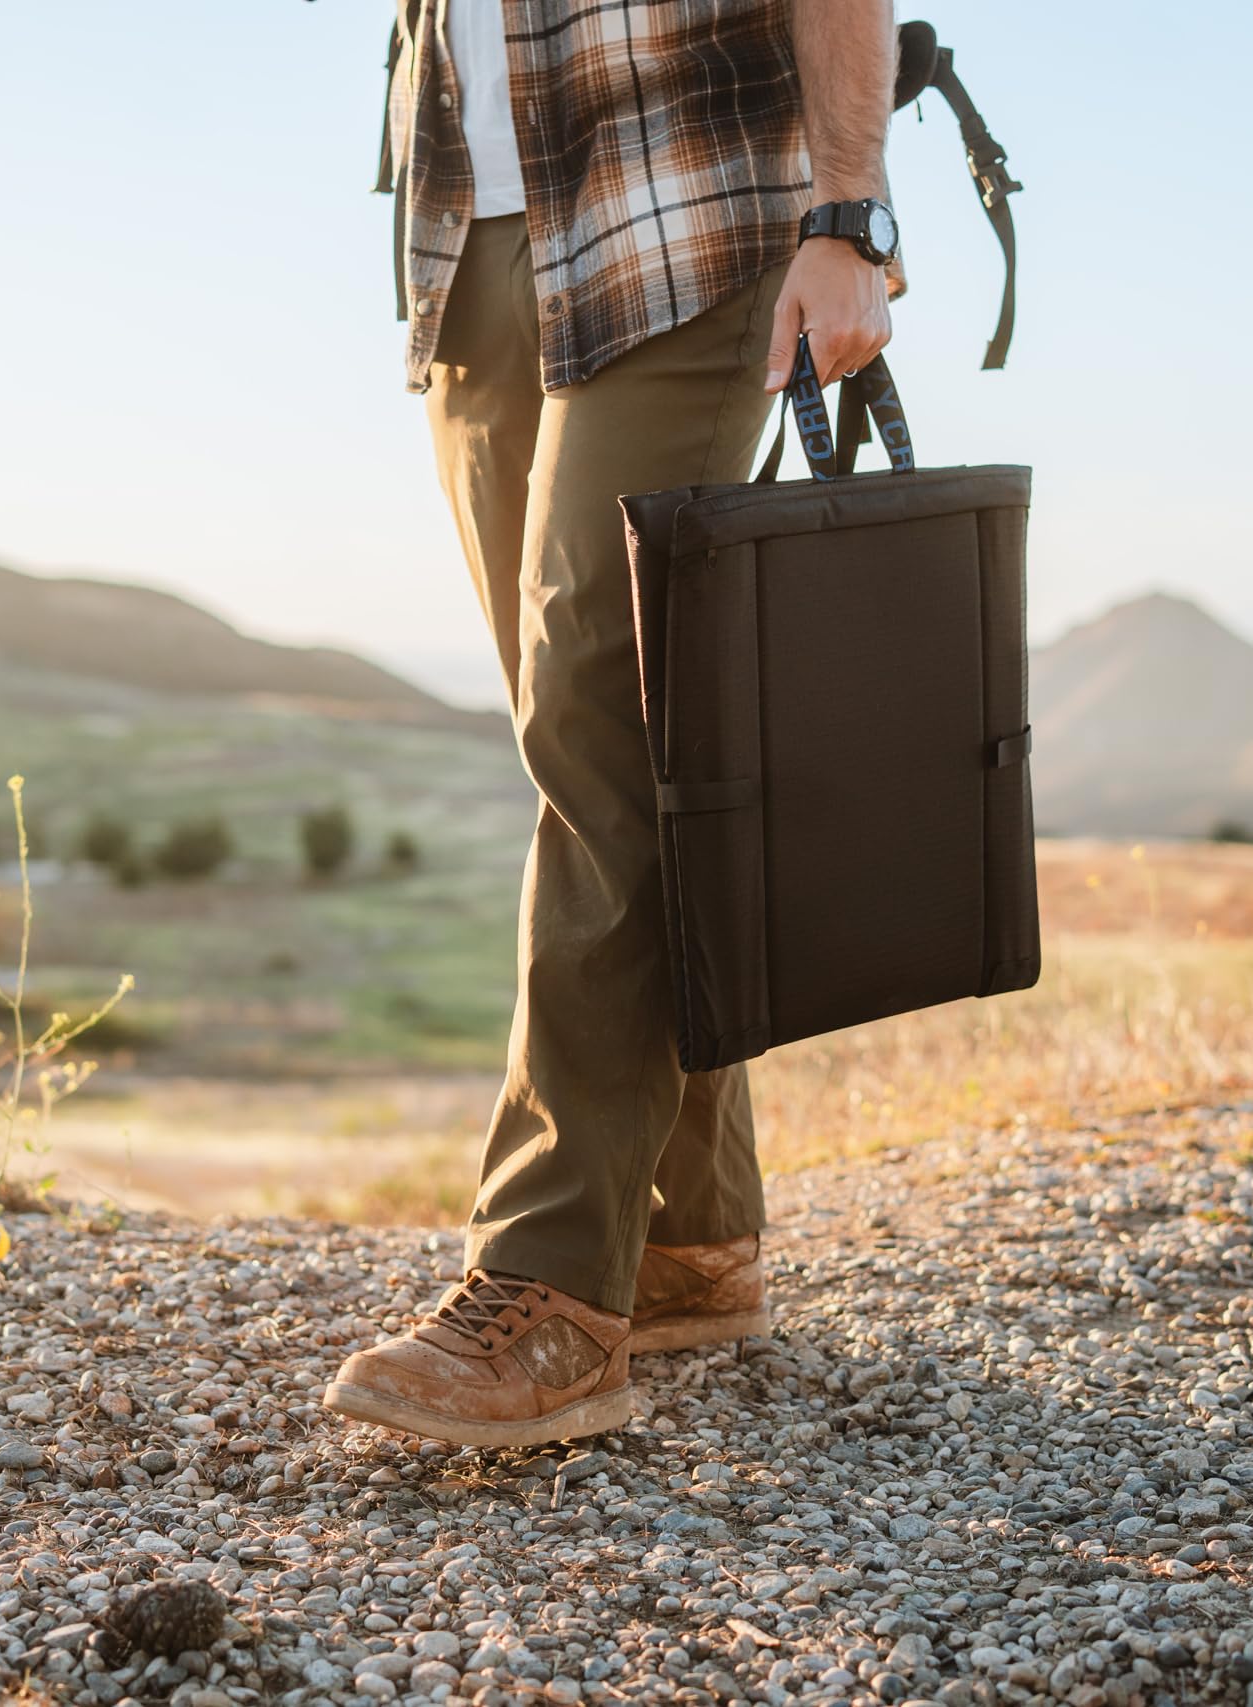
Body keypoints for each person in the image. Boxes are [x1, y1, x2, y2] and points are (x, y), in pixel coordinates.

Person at [320, 0, 905, 1448]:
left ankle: (553, 1284)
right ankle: (694, 1237)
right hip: (471, 241)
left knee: (593, 725)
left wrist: (851, 212)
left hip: (685, 210)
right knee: (610, 736)